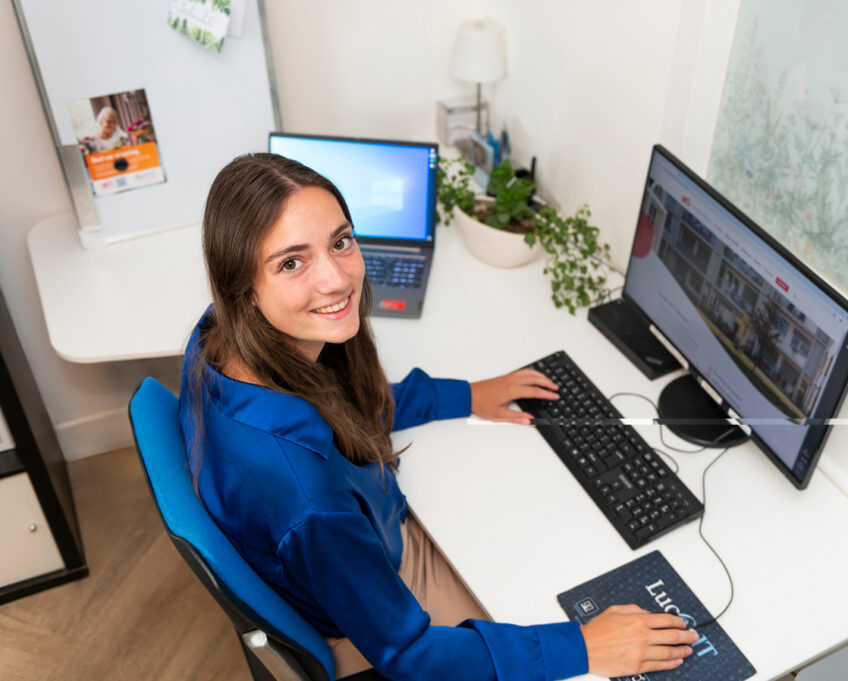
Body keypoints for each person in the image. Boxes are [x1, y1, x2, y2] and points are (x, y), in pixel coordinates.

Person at [180, 153, 699, 681]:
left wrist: (465, 395)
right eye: (291, 262)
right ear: (242, 289)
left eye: (340, 241)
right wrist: (584, 648)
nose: (336, 280)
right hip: (370, 618)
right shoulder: (307, 497)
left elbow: (350, 402)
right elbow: (411, 654)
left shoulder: (217, 341)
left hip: (355, 551)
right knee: (560, 597)